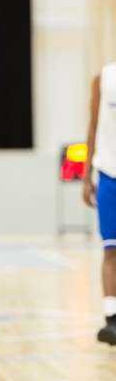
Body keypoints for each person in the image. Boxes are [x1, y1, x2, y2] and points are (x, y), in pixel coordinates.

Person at [83, 63, 116, 346]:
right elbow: (93, 126)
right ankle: (111, 318)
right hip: (109, 174)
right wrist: (86, 177)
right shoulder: (103, 77)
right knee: (111, 249)